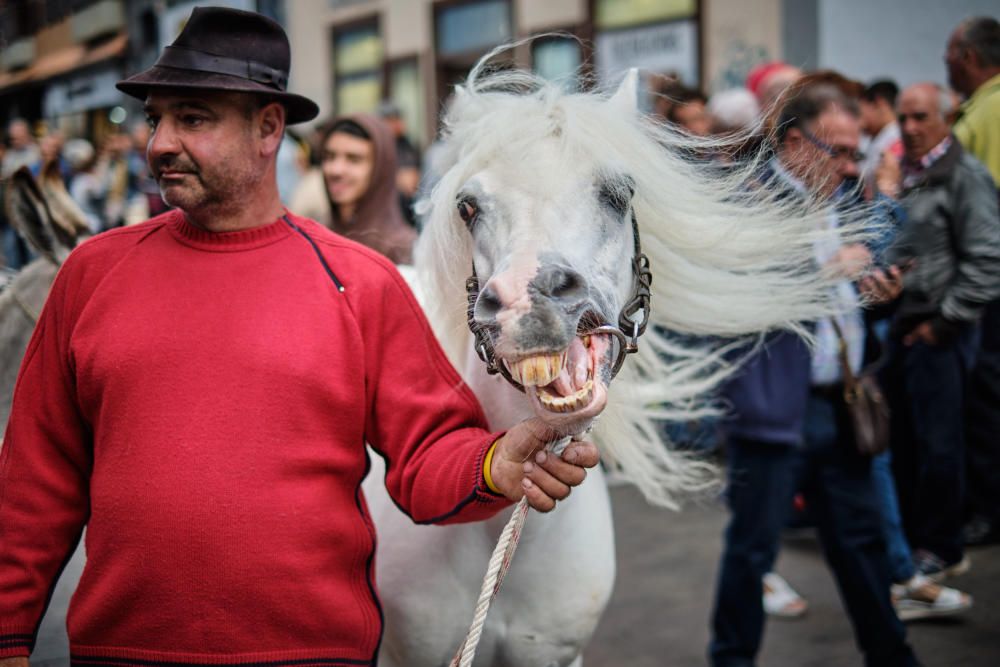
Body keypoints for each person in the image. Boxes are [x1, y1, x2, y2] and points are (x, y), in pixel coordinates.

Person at [0, 8, 599, 664]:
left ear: (267, 128)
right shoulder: (93, 273)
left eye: (192, 118)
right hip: (121, 652)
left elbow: (429, 450)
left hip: (313, 653)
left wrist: (493, 462)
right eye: (157, 118)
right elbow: (34, 482)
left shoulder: (357, 282)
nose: (159, 142)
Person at [709, 83, 917, 667]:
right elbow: (739, 295)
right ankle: (730, 660)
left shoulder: (838, 198)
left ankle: (892, 655)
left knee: (862, 544)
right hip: (774, 408)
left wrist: (880, 292)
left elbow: (847, 298)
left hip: (838, 400)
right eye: (841, 151)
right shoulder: (749, 198)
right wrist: (827, 269)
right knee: (752, 552)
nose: (852, 166)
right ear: (796, 143)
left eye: (856, 153)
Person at [882, 82, 1000, 582]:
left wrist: (942, 323)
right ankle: (915, 540)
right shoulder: (906, 171)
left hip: (939, 331)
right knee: (906, 442)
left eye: (920, 118)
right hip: (902, 327)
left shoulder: (964, 175)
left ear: (946, 119)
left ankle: (942, 546)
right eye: (903, 118)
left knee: (940, 445)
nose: (909, 128)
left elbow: (989, 260)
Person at [945, 15, 1000, 546]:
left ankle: (988, 508)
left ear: (966, 55)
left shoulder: (988, 112)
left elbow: (979, 216)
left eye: (949, 56)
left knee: (984, 400)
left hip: (984, 288)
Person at [290, 114, 416, 264]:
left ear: (380, 169)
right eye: (329, 157)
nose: (336, 170)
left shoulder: (402, 248)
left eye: (354, 159)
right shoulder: (314, 235)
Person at [858, 80, 903, 183]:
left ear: (879, 103)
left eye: (860, 109)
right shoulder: (882, 137)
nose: (859, 118)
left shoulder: (896, 139)